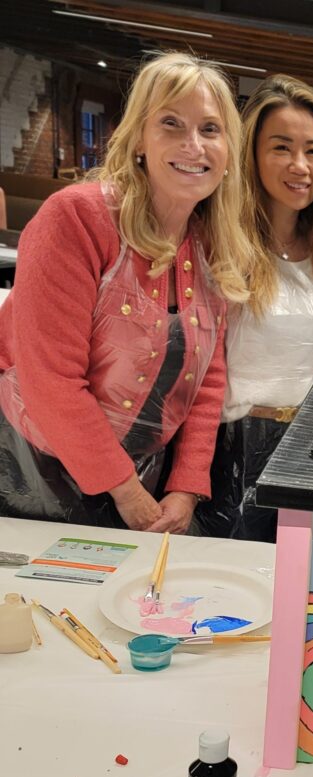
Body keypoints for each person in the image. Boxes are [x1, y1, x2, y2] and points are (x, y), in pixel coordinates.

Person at [0, 52, 249, 532]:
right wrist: (128, 493)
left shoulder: (212, 244)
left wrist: (186, 487)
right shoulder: (75, 218)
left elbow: (206, 382)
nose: (193, 145)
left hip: (137, 477)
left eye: (211, 129)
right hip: (32, 473)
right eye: (171, 124)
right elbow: (51, 379)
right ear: (139, 137)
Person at [194, 75, 313, 541]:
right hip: (228, 447)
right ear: (252, 154)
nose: (300, 165)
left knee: (289, 597)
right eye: (281, 147)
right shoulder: (220, 243)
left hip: (308, 449)